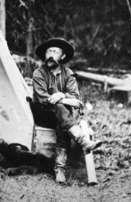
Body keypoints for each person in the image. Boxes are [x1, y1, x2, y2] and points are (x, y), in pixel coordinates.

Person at [30, 37, 102, 183]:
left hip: (62, 117)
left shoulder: (68, 74)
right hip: (43, 113)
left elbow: (76, 97)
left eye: (55, 51)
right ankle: (82, 140)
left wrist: (61, 95)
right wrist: (63, 99)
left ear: (62, 56)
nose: (50, 54)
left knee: (63, 116)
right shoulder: (39, 73)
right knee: (60, 107)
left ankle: (59, 170)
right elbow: (44, 98)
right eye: (48, 51)